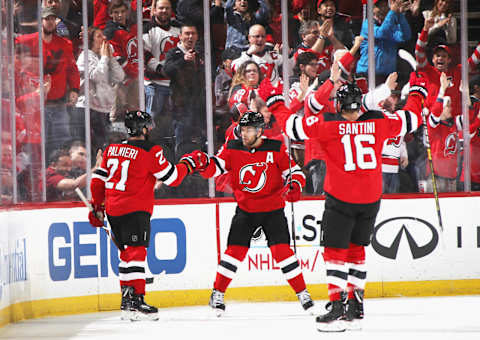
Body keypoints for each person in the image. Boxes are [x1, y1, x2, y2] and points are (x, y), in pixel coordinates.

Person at [259, 62, 429, 331]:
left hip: (341, 198)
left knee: (335, 251)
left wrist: (275, 100)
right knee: (357, 249)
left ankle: (337, 304)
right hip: (371, 199)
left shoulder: (326, 124)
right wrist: (419, 91)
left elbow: (290, 127)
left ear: (338, 105)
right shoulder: (379, 121)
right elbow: (412, 118)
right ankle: (356, 302)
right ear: (359, 104)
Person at [88, 110, 207, 321]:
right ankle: (137, 300)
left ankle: (126, 303)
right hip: (135, 209)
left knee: (125, 255)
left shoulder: (112, 148)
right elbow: (172, 178)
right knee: (136, 254)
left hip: (113, 210)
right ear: (143, 129)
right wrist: (189, 164)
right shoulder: (151, 150)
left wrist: (97, 207)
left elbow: (98, 178)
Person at [195, 111, 314, 316]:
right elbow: (216, 167)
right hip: (246, 210)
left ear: (260, 131)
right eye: (242, 129)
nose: (244, 134)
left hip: (273, 210)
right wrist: (203, 165)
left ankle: (302, 292)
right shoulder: (231, 147)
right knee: (234, 252)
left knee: (283, 253)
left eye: (249, 130)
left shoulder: (275, 147)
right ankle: (217, 293)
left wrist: (294, 185)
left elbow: (295, 172)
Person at [15, 6, 80, 159]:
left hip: (58, 104)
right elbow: (14, 60)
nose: (50, 22)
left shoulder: (65, 44)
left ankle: (57, 171)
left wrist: (75, 90)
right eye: (47, 19)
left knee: (61, 143)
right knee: (37, 145)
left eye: (52, 19)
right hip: (36, 105)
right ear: (40, 21)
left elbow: (72, 69)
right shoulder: (27, 40)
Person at [75, 26, 125, 152]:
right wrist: (105, 57)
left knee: (103, 146)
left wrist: (111, 58)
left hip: (103, 109)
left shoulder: (106, 57)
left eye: (103, 35)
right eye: (99, 36)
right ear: (91, 40)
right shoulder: (85, 56)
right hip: (87, 109)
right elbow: (98, 76)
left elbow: (120, 76)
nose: (103, 38)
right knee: (89, 147)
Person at [163, 23, 207, 156]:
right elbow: (167, 71)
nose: (190, 37)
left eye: (193, 33)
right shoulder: (174, 53)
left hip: (198, 102)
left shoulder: (200, 53)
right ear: (180, 36)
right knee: (182, 137)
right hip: (180, 103)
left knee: (199, 137)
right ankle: (181, 166)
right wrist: (183, 60)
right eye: (187, 34)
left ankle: (197, 167)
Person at [356, 0, 411, 85]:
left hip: (386, 76)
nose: (383, 9)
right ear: (373, 8)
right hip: (367, 74)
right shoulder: (367, 24)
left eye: (386, 6)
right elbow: (381, 33)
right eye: (380, 6)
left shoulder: (392, 25)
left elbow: (405, 36)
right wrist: (392, 12)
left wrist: (399, 14)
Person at [143, 0, 180, 127]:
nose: (164, 11)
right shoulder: (148, 29)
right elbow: (145, 54)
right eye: (161, 8)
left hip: (174, 85)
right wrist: (160, 68)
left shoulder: (178, 28)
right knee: (150, 120)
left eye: (167, 8)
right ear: (155, 10)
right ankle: (147, 145)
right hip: (154, 84)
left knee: (171, 122)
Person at [104, 0, 140, 123]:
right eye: (116, 12)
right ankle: (115, 140)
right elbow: (116, 57)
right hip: (119, 79)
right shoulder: (110, 31)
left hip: (132, 77)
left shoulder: (128, 29)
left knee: (134, 112)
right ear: (110, 14)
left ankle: (133, 140)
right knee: (116, 114)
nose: (119, 15)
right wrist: (131, 71)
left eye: (122, 11)